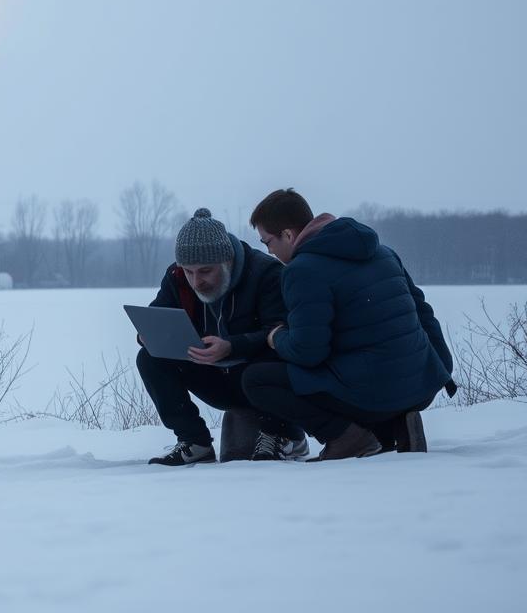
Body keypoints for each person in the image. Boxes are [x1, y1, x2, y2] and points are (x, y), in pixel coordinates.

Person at [242, 189, 456, 461]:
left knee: (257, 380)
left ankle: (346, 438)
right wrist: (440, 367)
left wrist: (276, 337)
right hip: (421, 386)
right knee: (350, 363)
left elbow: (308, 352)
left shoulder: (302, 270)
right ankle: (393, 426)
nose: (269, 251)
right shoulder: (383, 252)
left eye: (268, 242)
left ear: (288, 234)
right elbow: (423, 312)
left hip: (375, 392)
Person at [136, 208, 308, 465]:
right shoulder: (177, 277)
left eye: (205, 271)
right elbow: (159, 313)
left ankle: (283, 434)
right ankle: (194, 441)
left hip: (260, 379)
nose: (196, 281)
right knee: (149, 358)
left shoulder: (266, 274)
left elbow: (283, 334)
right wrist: (148, 335)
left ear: (227, 261)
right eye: (189, 271)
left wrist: (232, 347)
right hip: (212, 375)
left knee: (273, 355)